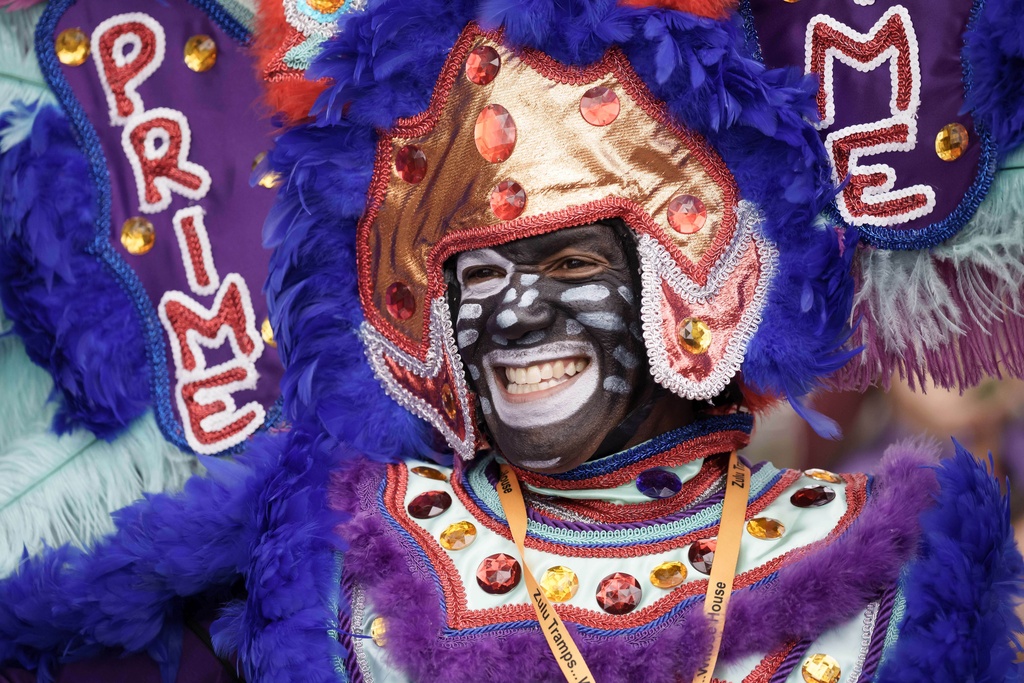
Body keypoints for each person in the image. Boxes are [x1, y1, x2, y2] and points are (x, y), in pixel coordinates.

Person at [0, 0, 1021, 681]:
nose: (515, 312)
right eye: (477, 278)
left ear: (691, 277)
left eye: (568, 267)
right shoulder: (331, 548)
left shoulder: (903, 554)